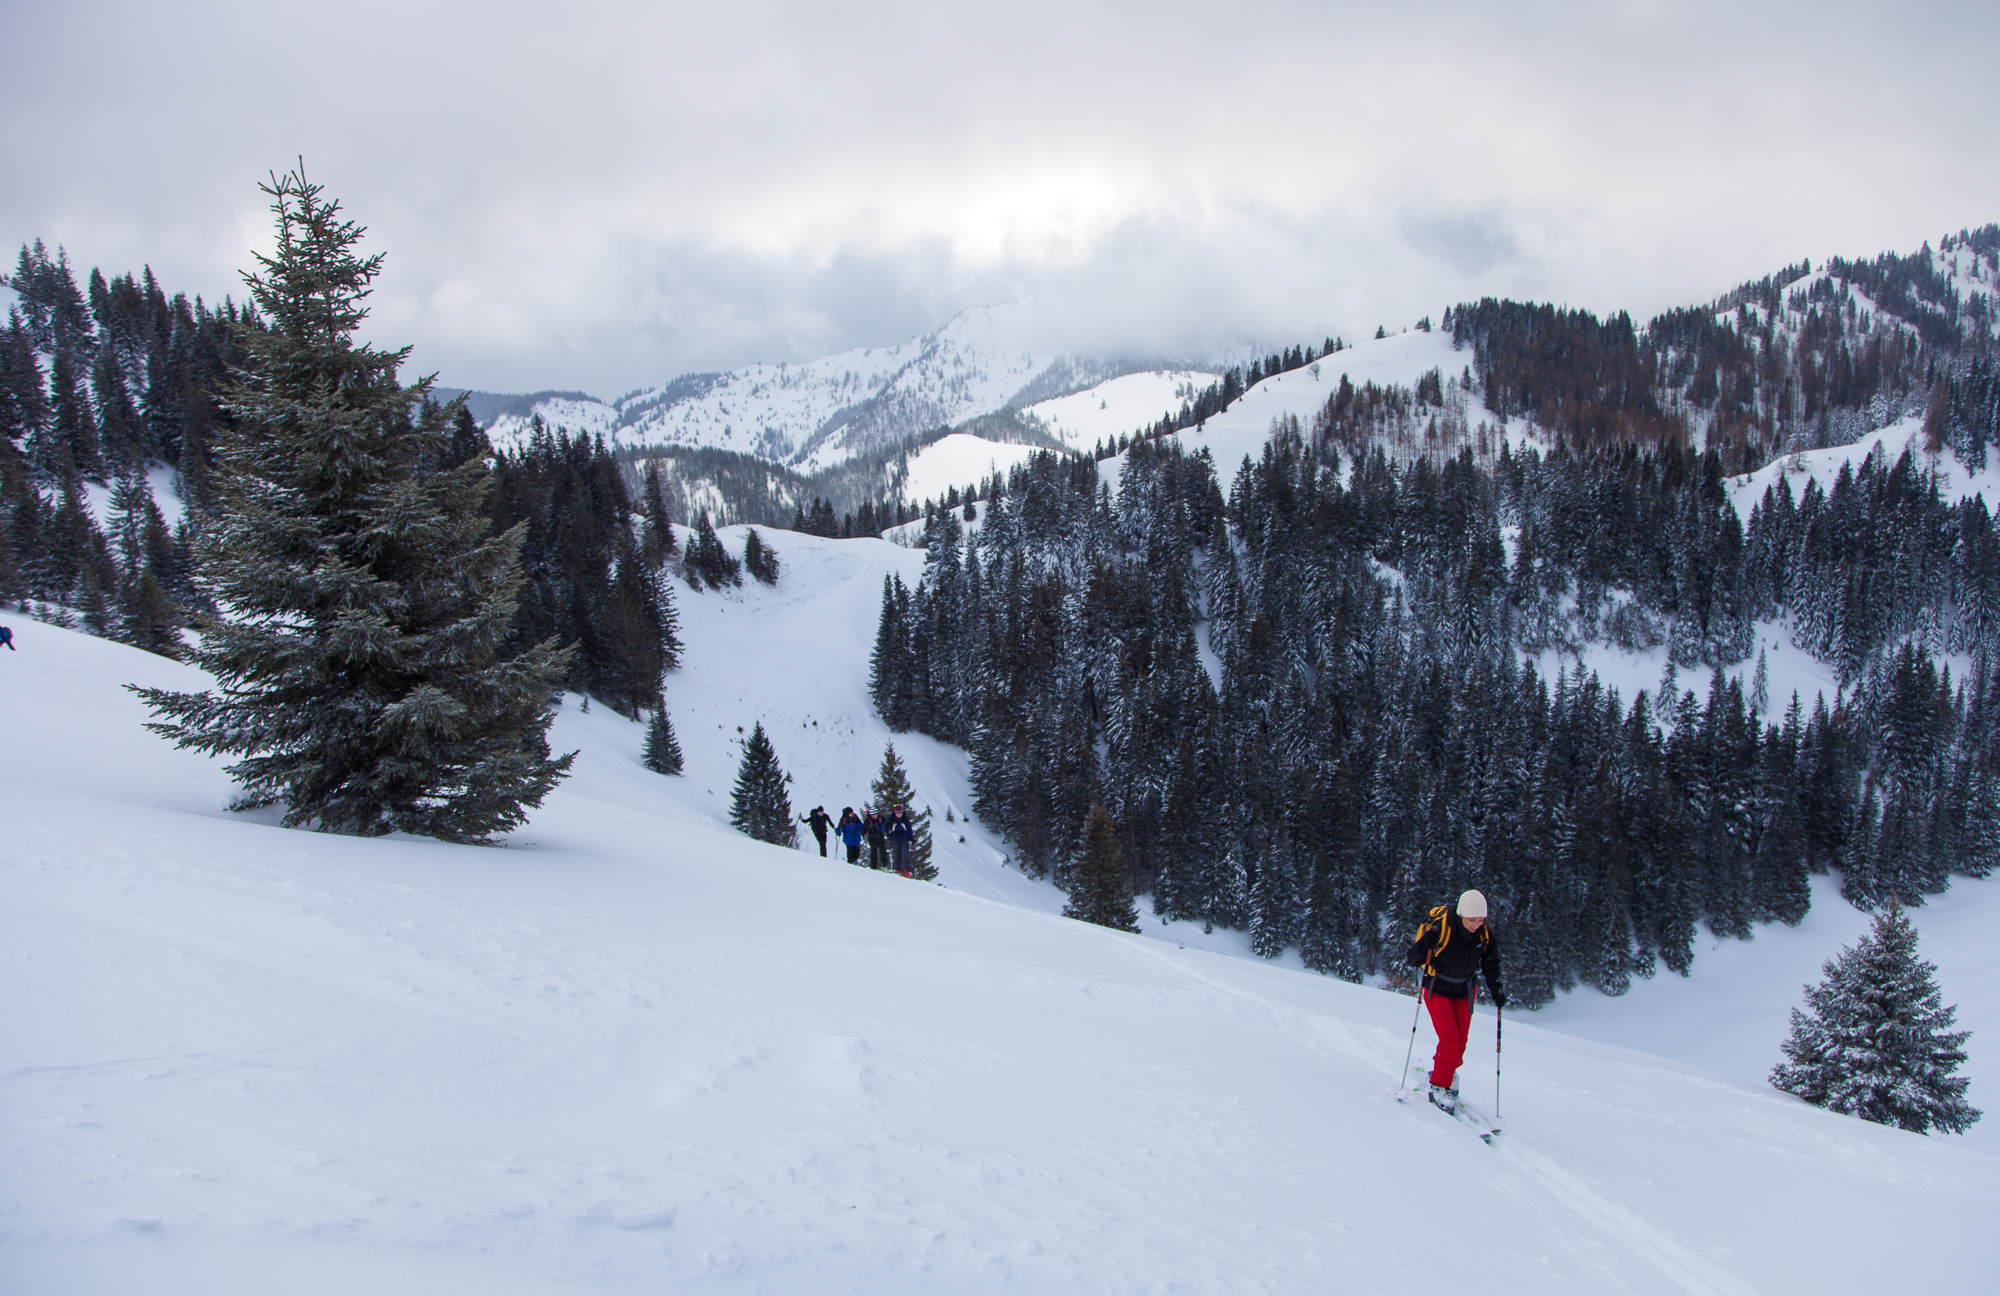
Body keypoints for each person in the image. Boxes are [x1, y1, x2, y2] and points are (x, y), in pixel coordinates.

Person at [1405, 888, 1505, 1113]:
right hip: (1437, 988)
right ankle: (1440, 1085)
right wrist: (1426, 945)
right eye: (1472, 920)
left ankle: (1446, 1071)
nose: (1477, 924)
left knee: (1460, 1043)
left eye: (1481, 919)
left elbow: (1491, 964)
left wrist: (1497, 990)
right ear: (1461, 915)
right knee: (1450, 1041)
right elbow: (1413, 958)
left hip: (1465, 990)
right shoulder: (1442, 928)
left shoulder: (1484, 934)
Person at [886, 804, 916, 875]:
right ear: (895, 812)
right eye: (897, 813)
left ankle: (907, 870)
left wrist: (911, 838)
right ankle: (898, 870)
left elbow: (909, 828)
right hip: (894, 839)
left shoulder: (905, 818)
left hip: (904, 838)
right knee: (897, 855)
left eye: (900, 813)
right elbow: (884, 828)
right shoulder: (891, 818)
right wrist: (887, 826)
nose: (899, 814)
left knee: (906, 854)